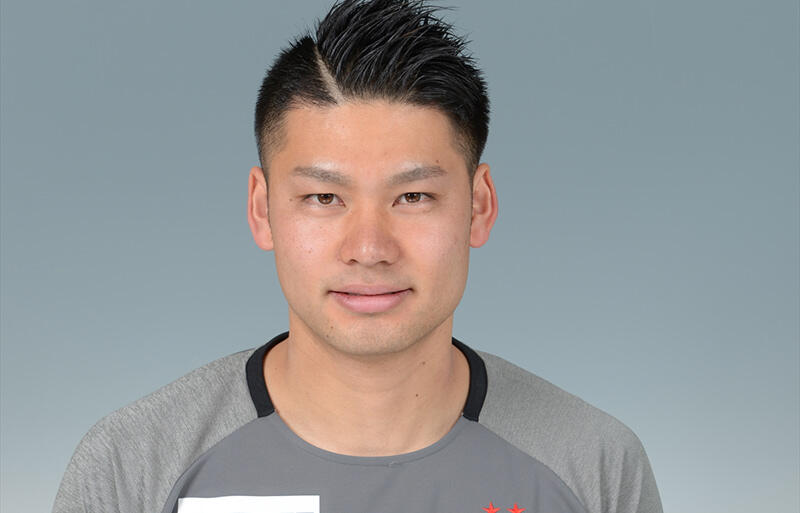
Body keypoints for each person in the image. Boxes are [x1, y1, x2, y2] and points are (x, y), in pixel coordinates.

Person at [53, 1, 663, 512]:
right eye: (324, 197)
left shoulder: (593, 466)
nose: (369, 249)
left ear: (479, 206)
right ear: (262, 209)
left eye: (413, 197)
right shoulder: (134, 467)